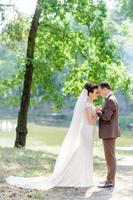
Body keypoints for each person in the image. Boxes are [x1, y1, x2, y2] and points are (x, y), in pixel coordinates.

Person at [6, 83, 99, 190]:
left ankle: (83, 177)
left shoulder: (89, 103)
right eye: (96, 92)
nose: (98, 95)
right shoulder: (87, 105)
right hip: (86, 131)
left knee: (84, 154)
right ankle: (79, 178)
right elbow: (91, 121)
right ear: (90, 93)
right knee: (84, 153)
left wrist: (96, 110)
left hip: (88, 131)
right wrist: (97, 113)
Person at [96, 82, 120, 188]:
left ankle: (110, 181)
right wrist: (102, 110)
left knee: (110, 157)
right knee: (110, 157)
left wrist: (98, 112)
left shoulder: (110, 100)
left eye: (100, 91)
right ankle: (109, 179)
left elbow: (106, 117)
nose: (100, 93)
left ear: (105, 89)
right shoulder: (110, 99)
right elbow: (107, 114)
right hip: (109, 133)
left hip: (109, 134)